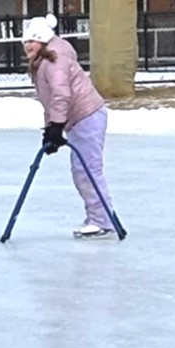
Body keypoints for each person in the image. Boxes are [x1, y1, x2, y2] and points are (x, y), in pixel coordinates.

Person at [21, 16, 115, 238]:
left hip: (87, 116)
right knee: (83, 170)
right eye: (25, 42)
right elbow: (49, 100)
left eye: (32, 41)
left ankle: (102, 220)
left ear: (44, 41)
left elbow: (62, 94)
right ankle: (101, 215)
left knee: (87, 170)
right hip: (81, 119)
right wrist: (50, 129)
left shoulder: (54, 62)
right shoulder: (44, 61)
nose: (28, 46)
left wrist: (56, 126)